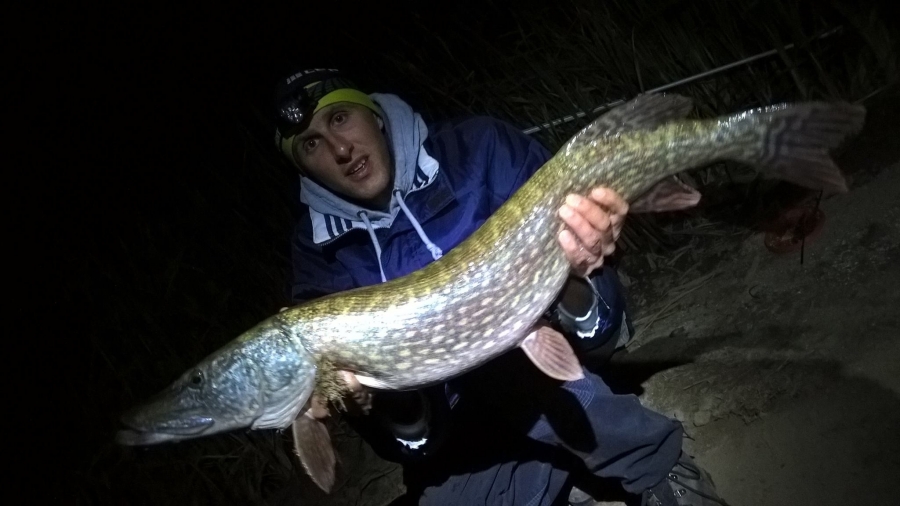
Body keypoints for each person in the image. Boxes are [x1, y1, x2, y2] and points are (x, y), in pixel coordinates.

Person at [273, 68, 728, 506]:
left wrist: (576, 266)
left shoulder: (478, 147)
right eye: (311, 143)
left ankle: (656, 464)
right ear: (302, 168)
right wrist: (373, 401)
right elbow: (412, 441)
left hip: (551, 334)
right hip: (454, 412)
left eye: (340, 118)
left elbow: (601, 323)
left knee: (521, 379)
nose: (339, 149)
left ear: (372, 113)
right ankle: (560, 464)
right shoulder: (315, 256)